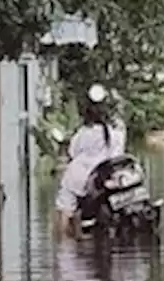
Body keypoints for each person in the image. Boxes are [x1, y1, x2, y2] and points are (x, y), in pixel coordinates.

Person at [54, 84, 127, 236]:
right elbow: (118, 154)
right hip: (104, 177)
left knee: (65, 209)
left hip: (79, 177)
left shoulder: (83, 133)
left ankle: (64, 245)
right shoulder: (115, 133)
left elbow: (72, 151)